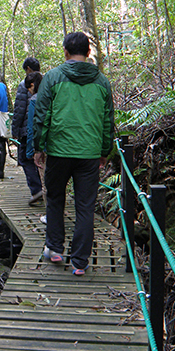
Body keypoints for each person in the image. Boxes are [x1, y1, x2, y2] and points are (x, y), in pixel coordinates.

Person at [32, 32, 115, 276]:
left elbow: (42, 115)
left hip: (58, 152)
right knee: (85, 207)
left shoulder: (53, 77)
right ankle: (80, 262)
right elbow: (107, 120)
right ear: (88, 53)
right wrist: (104, 151)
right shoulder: (102, 81)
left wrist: (39, 147)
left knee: (56, 199)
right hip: (89, 154)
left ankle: (55, 249)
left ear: (66, 52)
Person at [12, 57, 42, 204]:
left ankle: (36, 190)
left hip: (27, 128)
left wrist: (15, 130)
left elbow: (19, 109)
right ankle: (41, 188)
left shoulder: (25, 85)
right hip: (43, 129)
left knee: (25, 159)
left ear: (28, 69)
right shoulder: (45, 81)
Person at [25, 71, 47, 220]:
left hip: (44, 148)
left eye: (29, 89)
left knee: (46, 182)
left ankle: (51, 216)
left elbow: (32, 128)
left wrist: (31, 150)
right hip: (61, 145)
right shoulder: (54, 96)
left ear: (32, 85)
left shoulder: (34, 100)